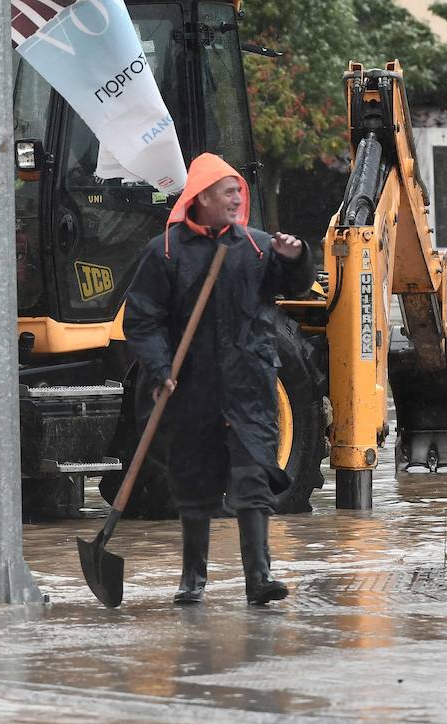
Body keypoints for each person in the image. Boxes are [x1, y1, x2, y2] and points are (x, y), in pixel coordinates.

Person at [123, 153, 312, 606]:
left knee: (252, 480)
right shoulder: (165, 252)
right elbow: (142, 320)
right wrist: (161, 368)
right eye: (228, 192)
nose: (236, 199)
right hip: (192, 389)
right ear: (202, 197)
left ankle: (259, 577)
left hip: (249, 386)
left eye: (238, 192)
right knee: (194, 483)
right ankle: (193, 578)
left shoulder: (257, 248)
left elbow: (296, 286)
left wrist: (297, 258)